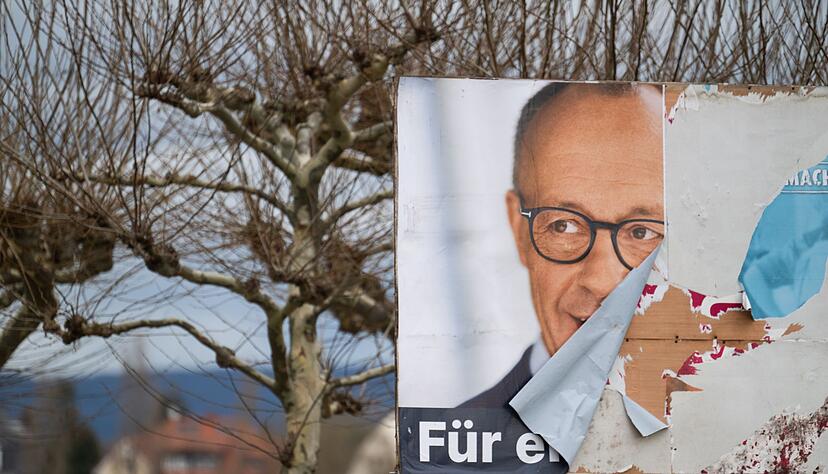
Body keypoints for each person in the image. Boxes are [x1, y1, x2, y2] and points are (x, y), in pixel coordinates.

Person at [461, 81, 665, 409]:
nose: (602, 282)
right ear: (519, 231)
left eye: (642, 233)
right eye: (564, 226)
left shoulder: (746, 428)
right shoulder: (456, 440)